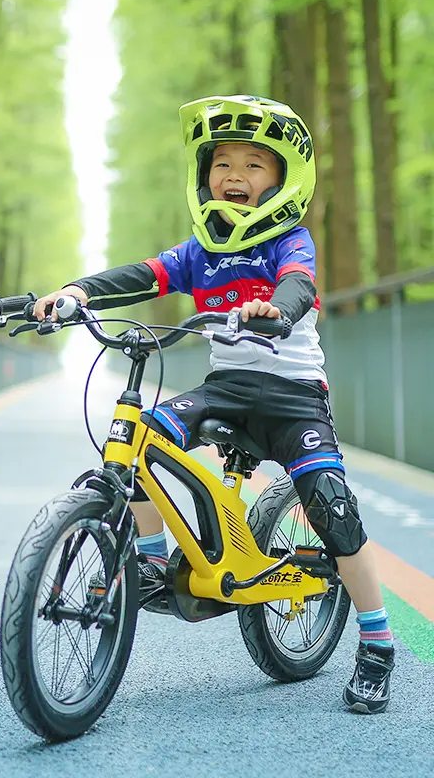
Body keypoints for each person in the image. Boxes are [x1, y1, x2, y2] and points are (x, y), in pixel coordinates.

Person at [33, 95, 395, 713]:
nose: (235, 176)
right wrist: (77, 291)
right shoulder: (200, 249)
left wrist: (275, 308)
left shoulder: (291, 239)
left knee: (332, 511)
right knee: (140, 438)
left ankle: (376, 640)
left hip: (293, 397)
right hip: (225, 390)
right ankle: (149, 563)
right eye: (223, 163)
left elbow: (300, 284)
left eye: (255, 165)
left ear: (284, 179)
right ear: (205, 176)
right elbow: (145, 274)